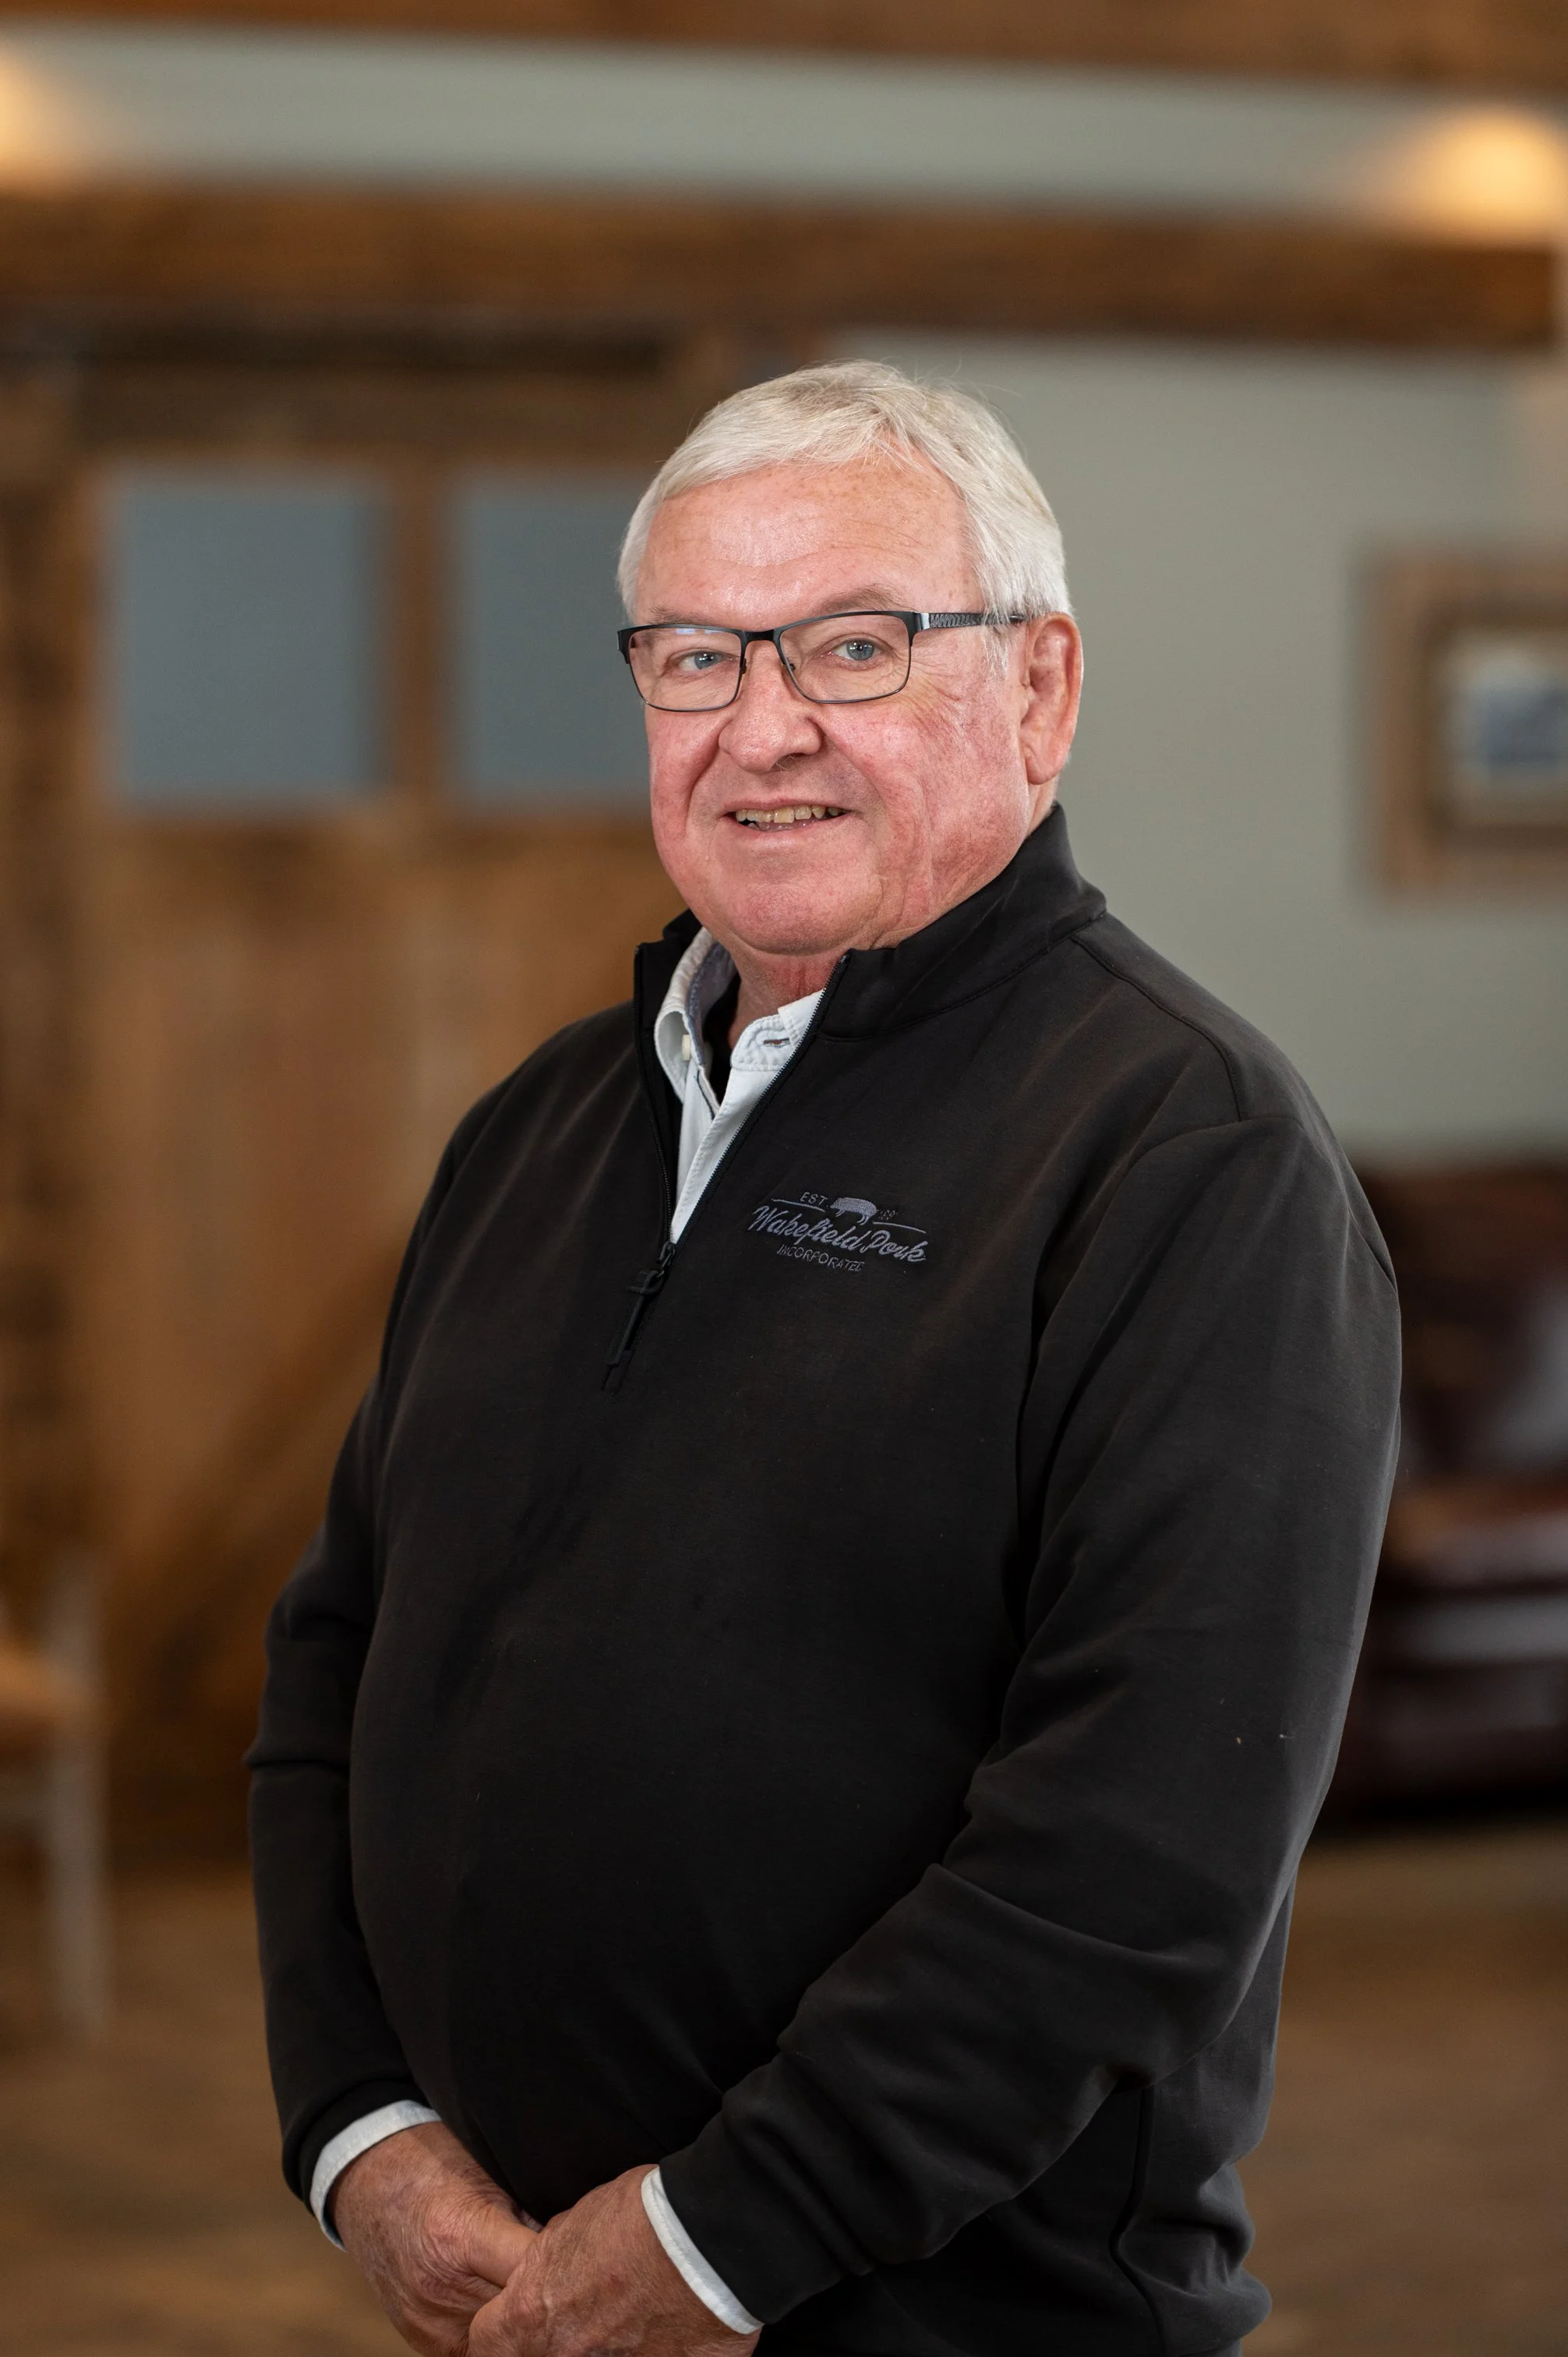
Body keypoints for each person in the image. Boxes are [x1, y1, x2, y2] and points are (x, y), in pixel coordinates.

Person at [249, 360, 1400, 2357]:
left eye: (854, 647)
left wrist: (714, 2241)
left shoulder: (1188, 1158)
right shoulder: (537, 1129)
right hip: (503, 2304)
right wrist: (358, 2126)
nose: (761, 729)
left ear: (1037, 689)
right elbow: (337, 1655)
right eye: (695, 658)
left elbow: (1137, 1856)